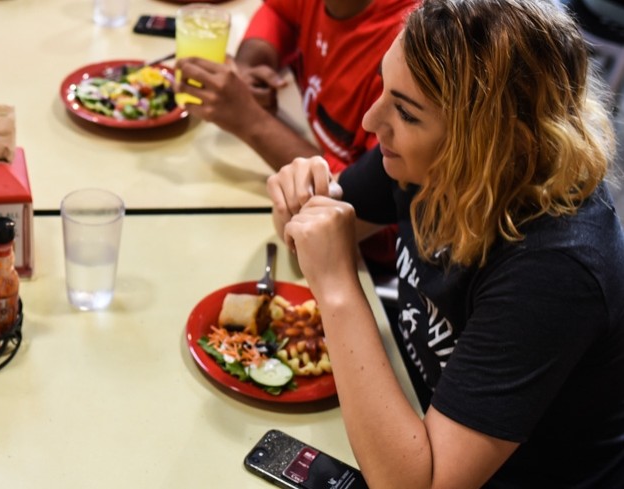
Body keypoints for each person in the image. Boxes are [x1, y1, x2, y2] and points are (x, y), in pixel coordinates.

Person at [268, 0, 624, 485]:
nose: (374, 122)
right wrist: (301, 202)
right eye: (384, 89)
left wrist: (335, 285)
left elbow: (417, 484)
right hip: (417, 413)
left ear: (499, 143)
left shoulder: (557, 266)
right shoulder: (432, 156)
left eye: (407, 113)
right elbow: (307, 236)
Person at [178, 0, 418, 272]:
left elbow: (384, 221)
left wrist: (250, 121)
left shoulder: (409, 43)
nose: (371, 119)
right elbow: (277, 11)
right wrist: (249, 68)